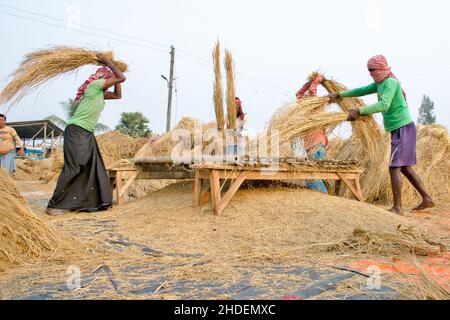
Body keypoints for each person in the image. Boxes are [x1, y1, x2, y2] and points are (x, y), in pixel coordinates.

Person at [328, 55, 435, 214]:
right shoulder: (380, 83)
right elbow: (361, 90)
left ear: (380, 67)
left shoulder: (390, 83)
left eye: (373, 70)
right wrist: (340, 94)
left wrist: (359, 111)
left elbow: (384, 104)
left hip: (404, 128)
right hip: (398, 129)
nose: (371, 73)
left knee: (394, 167)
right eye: (369, 71)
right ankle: (427, 198)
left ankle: (398, 207)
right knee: (404, 168)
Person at [46, 54, 126, 216]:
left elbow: (118, 95)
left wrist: (116, 74)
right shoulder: (95, 85)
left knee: (91, 166)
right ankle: (53, 206)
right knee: (74, 166)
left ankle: (82, 202)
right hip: (77, 130)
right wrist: (109, 63)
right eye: (109, 78)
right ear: (103, 77)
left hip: (86, 132)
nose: (110, 82)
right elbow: (121, 78)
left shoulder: (100, 92)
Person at [295, 75, 329, 193]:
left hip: (317, 144)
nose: (303, 101)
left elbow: (311, 92)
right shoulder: (305, 110)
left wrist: (316, 81)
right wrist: (309, 82)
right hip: (310, 145)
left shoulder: (315, 107)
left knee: (313, 173)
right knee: (311, 172)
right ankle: (319, 196)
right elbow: (298, 94)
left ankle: (323, 196)